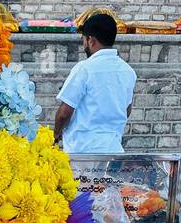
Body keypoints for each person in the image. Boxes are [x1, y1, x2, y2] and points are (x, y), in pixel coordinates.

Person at [53, 12, 137, 154]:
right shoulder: (128, 71)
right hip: (113, 150)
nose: (84, 44)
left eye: (84, 40)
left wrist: (56, 134)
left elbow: (64, 112)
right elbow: (127, 110)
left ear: (91, 40)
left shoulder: (84, 69)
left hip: (83, 152)